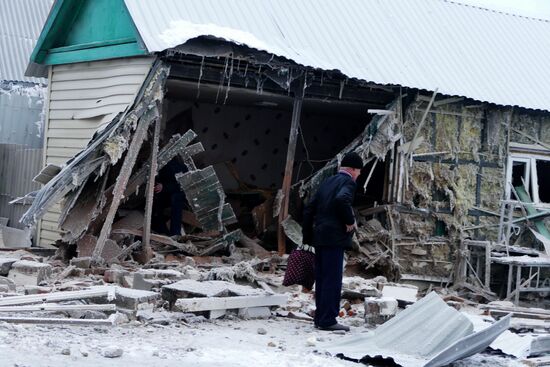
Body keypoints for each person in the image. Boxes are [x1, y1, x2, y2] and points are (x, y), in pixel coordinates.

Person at [302, 152, 363, 332]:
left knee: (321, 279)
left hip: (319, 238)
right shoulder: (348, 182)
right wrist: (350, 220)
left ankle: (320, 318)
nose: (359, 175)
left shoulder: (327, 182)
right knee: (332, 280)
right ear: (352, 169)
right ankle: (328, 320)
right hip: (334, 239)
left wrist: (307, 236)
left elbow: (309, 209)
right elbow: (341, 199)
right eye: (358, 171)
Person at [152, 156, 189, 236]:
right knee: (157, 200)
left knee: (176, 198)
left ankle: (175, 233)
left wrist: (164, 187)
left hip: (179, 194)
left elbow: (182, 185)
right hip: (166, 192)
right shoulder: (162, 165)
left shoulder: (175, 166)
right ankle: (161, 230)